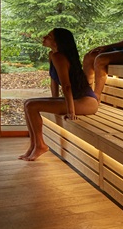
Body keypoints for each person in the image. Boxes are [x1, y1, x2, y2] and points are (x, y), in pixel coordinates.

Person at [20, 28, 99, 161]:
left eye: (49, 36)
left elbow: (67, 86)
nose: (44, 37)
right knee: (28, 103)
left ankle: (40, 145)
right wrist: (53, 101)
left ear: (57, 42)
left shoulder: (59, 57)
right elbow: (54, 82)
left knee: (32, 106)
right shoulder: (53, 55)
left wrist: (70, 111)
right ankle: (34, 145)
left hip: (87, 101)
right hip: (76, 99)